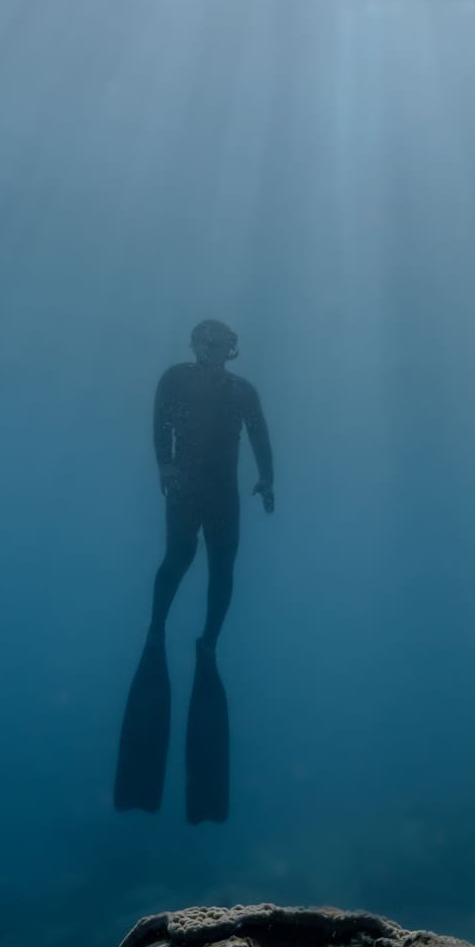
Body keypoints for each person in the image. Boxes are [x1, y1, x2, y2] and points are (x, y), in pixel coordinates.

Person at [114, 319, 274, 823]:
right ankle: (157, 628)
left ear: (230, 349)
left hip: (224, 491)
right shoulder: (175, 379)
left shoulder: (242, 390)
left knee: (223, 568)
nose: (217, 350)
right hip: (185, 487)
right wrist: (164, 464)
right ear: (196, 345)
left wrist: (268, 479)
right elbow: (160, 421)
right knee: (179, 557)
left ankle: (208, 641)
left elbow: (259, 434)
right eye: (210, 343)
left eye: (224, 344)